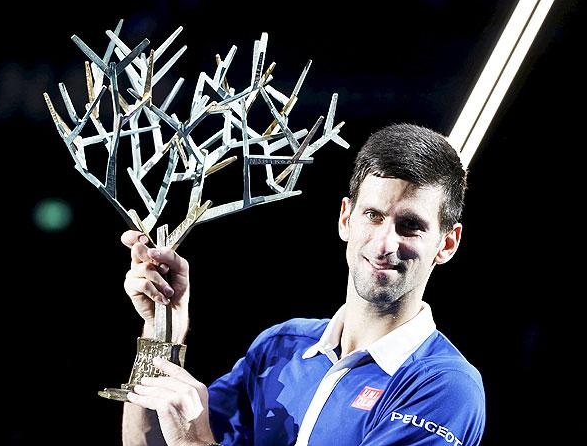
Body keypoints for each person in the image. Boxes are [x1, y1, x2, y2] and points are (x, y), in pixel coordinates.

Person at [120, 123, 486, 446]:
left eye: (411, 226)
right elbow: (147, 443)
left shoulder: (443, 387)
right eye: (373, 216)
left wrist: (193, 441)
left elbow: (187, 439)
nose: (386, 243)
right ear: (346, 218)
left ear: (447, 244)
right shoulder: (281, 346)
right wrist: (160, 332)